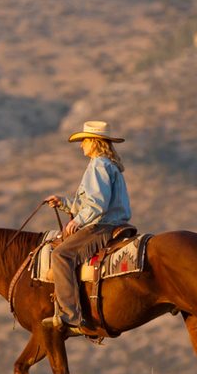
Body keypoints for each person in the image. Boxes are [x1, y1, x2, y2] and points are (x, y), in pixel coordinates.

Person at [41, 120, 132, 334]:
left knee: (61, 255)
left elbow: (97, 204)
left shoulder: (99, 164)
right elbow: (89, 202)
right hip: (112, 223)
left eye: (84, 141)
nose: (81, 145)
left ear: (94, 142)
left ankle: (69, 315)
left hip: (102, 226)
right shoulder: (108, 165)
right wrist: (63, 202)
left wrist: (77, 221)